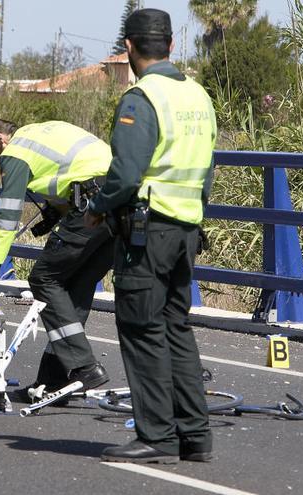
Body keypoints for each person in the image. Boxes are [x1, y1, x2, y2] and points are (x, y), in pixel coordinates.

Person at [84, 8, 217, 464]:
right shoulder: (197, 94)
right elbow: (206, 171)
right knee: (177, 326)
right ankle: (194, 438)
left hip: (148, 230)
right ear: (172, 45)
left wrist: (98, 209)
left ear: (129, 48)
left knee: (142, 328)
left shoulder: (142, 97)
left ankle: (155, 436)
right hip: (186, 228)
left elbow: (125, 175)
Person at [0, 119, 113, 401]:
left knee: (43, 278)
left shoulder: (15, 153)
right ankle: (52, 381)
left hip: (92, 205)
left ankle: (85, 367)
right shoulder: (42, 131)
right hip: (122, 203)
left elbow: (8, 216)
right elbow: (73, 171)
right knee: (74, 286)